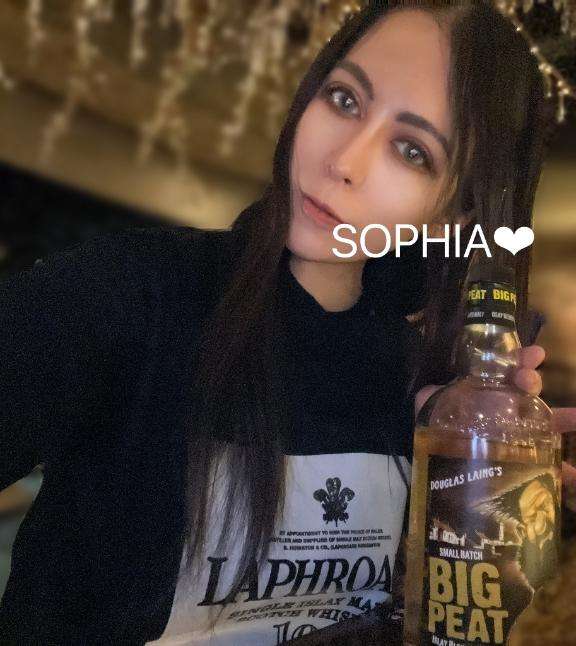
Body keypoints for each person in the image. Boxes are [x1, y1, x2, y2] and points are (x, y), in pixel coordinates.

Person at [0, 1, 574, 644]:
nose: (345, 160)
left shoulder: (419, 393)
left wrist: (456, 511)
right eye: (345, 100)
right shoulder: (131, 294)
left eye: (412, 151)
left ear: (452, 217)